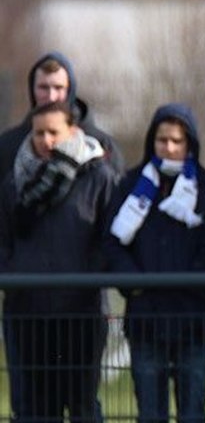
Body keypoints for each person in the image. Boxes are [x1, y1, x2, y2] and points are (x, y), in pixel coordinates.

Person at [104, 104, 205, 423]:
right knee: (150, 413)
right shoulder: (130, 186)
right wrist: (134, 283)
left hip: (193, 320)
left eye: (176, 141)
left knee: (193, 411)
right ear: (151, 142)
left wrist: (191, 282)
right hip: (146, 320)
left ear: (190, 144)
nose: (168, 148)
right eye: (161, 140)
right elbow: (113, 243)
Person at [0, 100, 117, 422]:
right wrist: (16, 277)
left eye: (54, 132)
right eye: (39, 133)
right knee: (34, 410)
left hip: (81, 312)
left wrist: (85, 280)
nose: (46, 140)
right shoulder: (13, 185)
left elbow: (109, 240)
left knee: (82, 406)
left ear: (72, 131)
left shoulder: (99, 178)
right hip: (27, 313)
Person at [0, 51, 124, 175]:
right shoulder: (8, 145)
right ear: (32, 90)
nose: (51, 96)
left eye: (58, 88)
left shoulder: (103, 146)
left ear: (70, 90)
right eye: (43, 87)